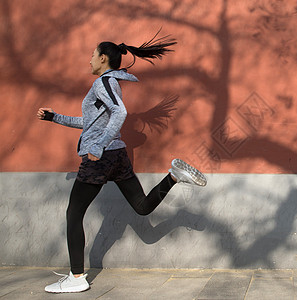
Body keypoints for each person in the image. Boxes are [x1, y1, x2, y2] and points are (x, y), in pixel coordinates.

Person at [37, 33, 207, 293]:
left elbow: (120, 112)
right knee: (141, 207)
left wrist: (98, 146)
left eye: (92, 55)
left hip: (102, 157)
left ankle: (76, 277)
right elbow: (92, 123)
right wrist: (54, 117)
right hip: (117, 156)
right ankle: (173, 176)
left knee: (74, 214)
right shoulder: (109, 82)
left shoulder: (103, 83)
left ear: (103, 58)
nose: (89, 60)